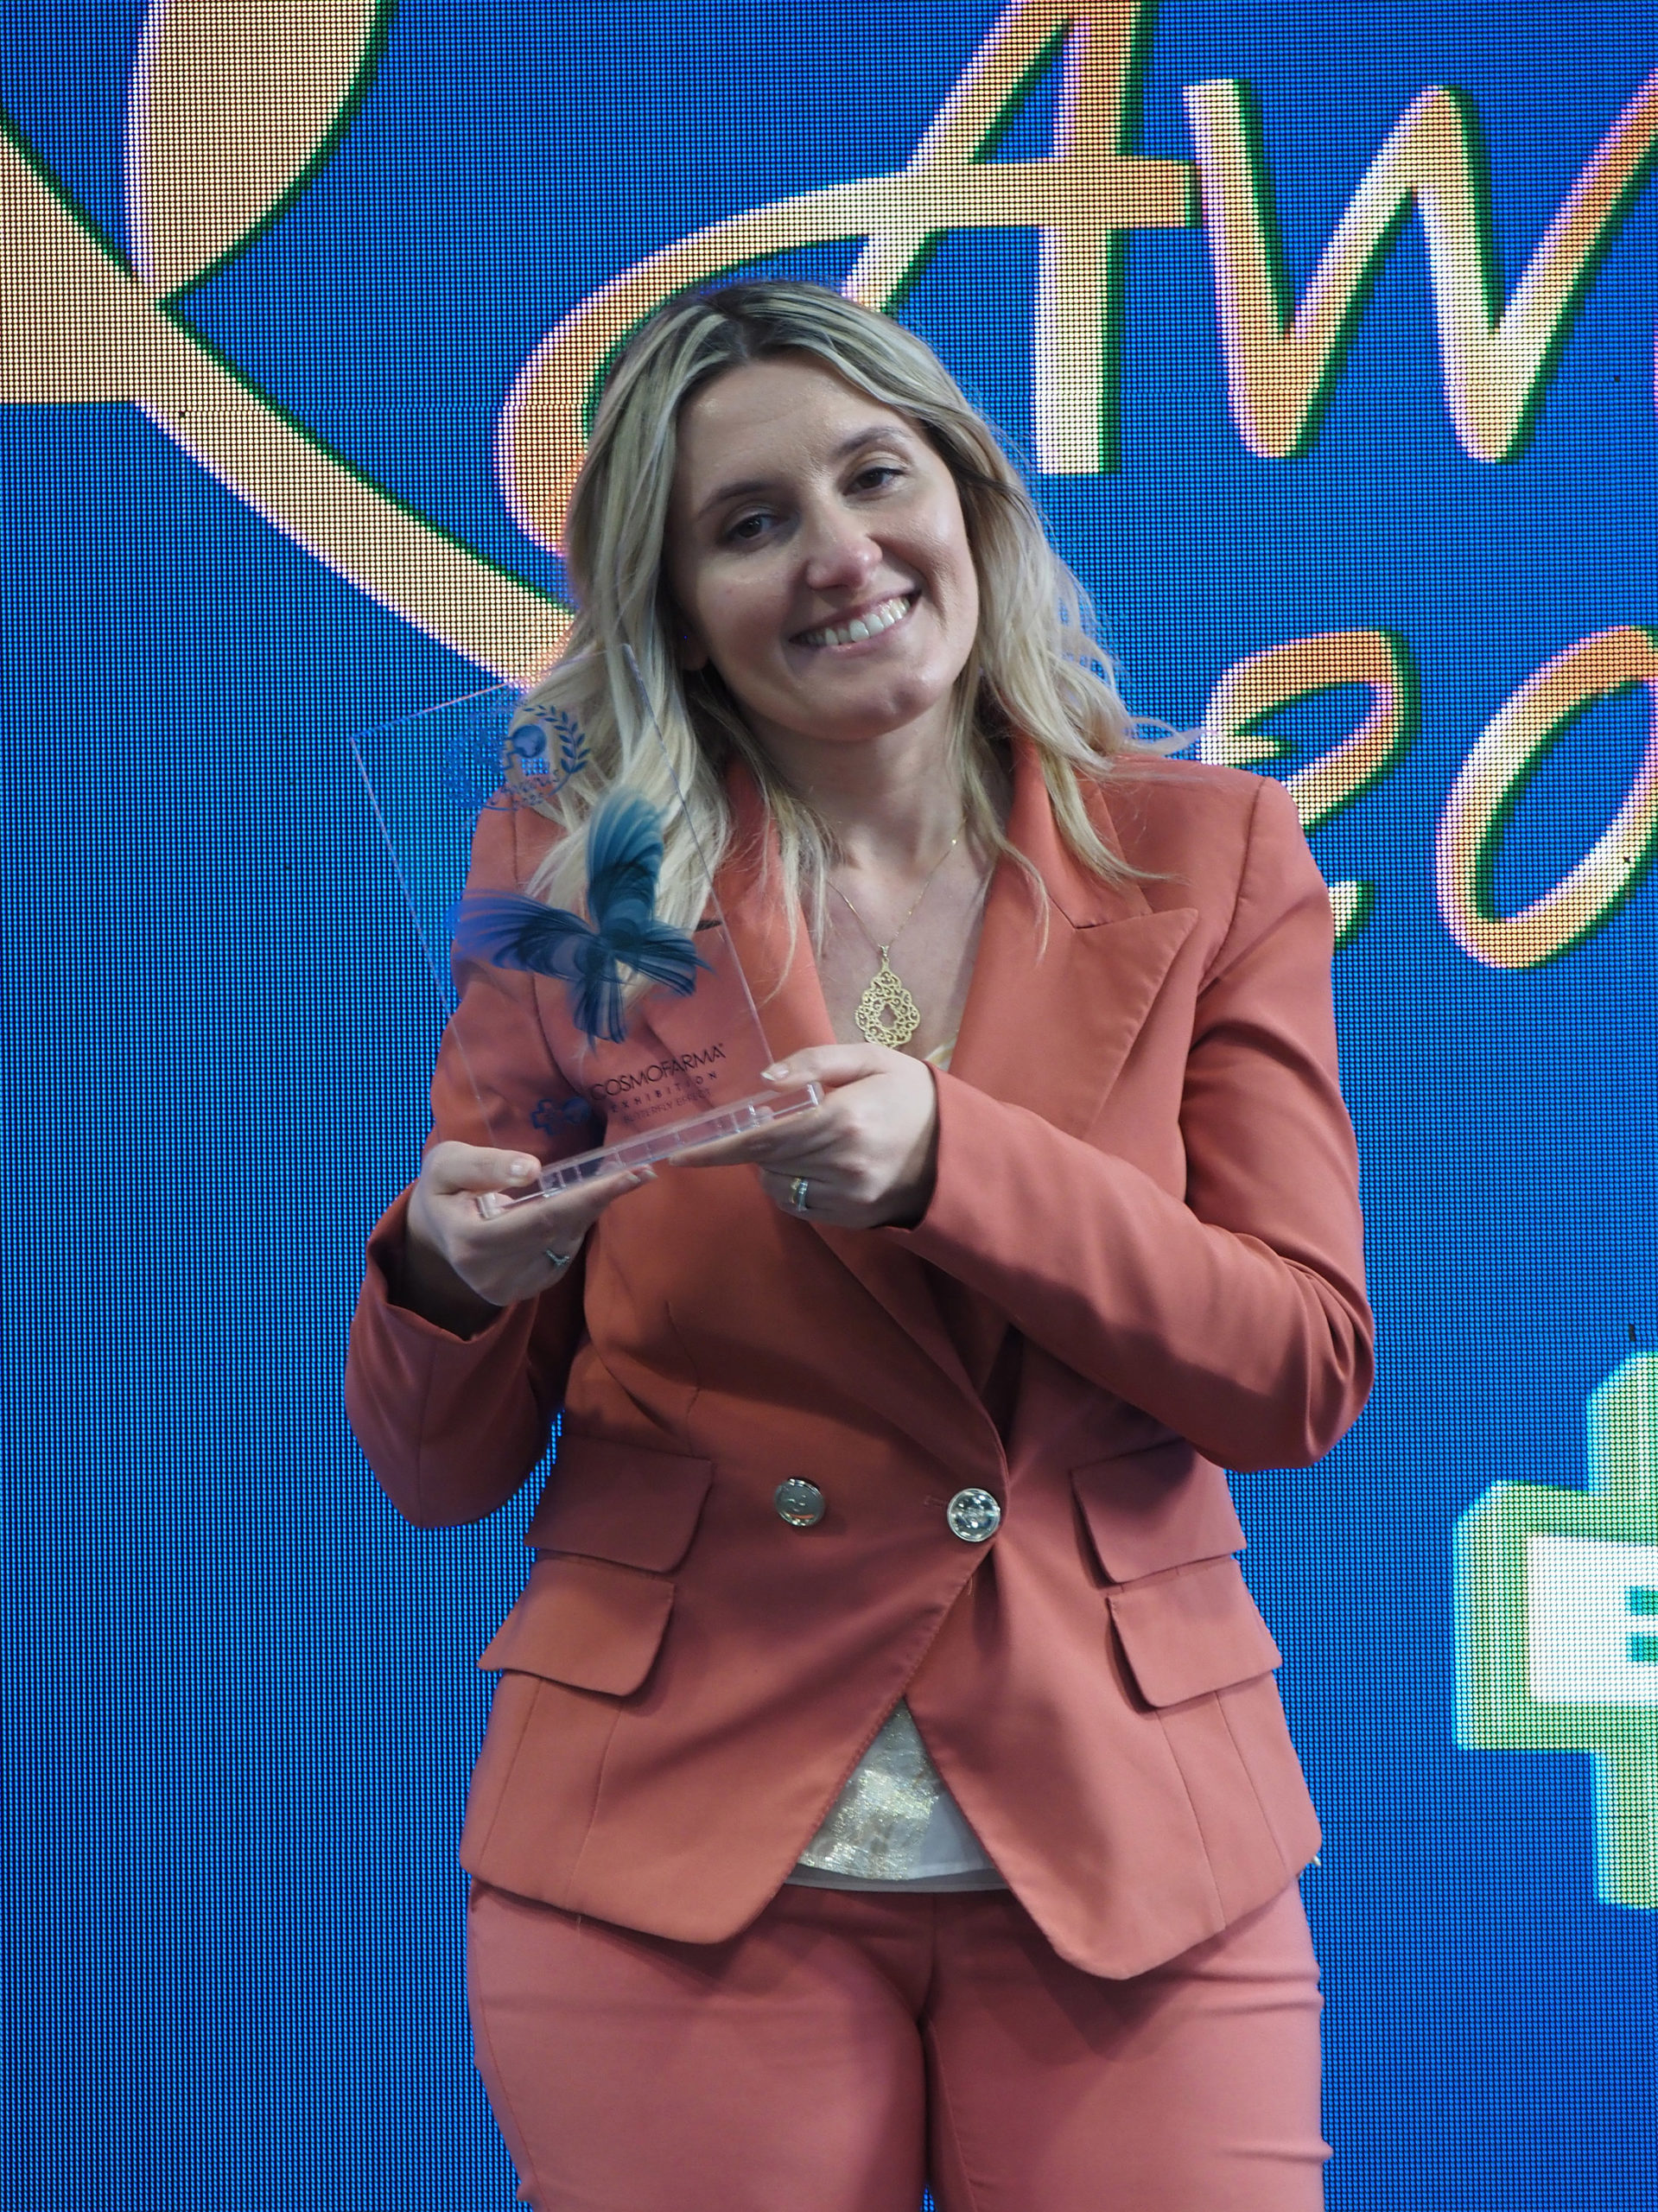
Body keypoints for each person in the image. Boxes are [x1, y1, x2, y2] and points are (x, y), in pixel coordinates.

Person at [345, 280, 1373, 2212]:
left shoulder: (1215, 848)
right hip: (667, 1845)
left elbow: (1296, 1372)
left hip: (1134, 1843)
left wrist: (954, 1162)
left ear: (969, 496)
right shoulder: (571, 884)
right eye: (750, 524)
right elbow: (438, 1465)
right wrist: (445, 1279)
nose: (838, 554)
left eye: (875, 477)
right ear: (676, 612)